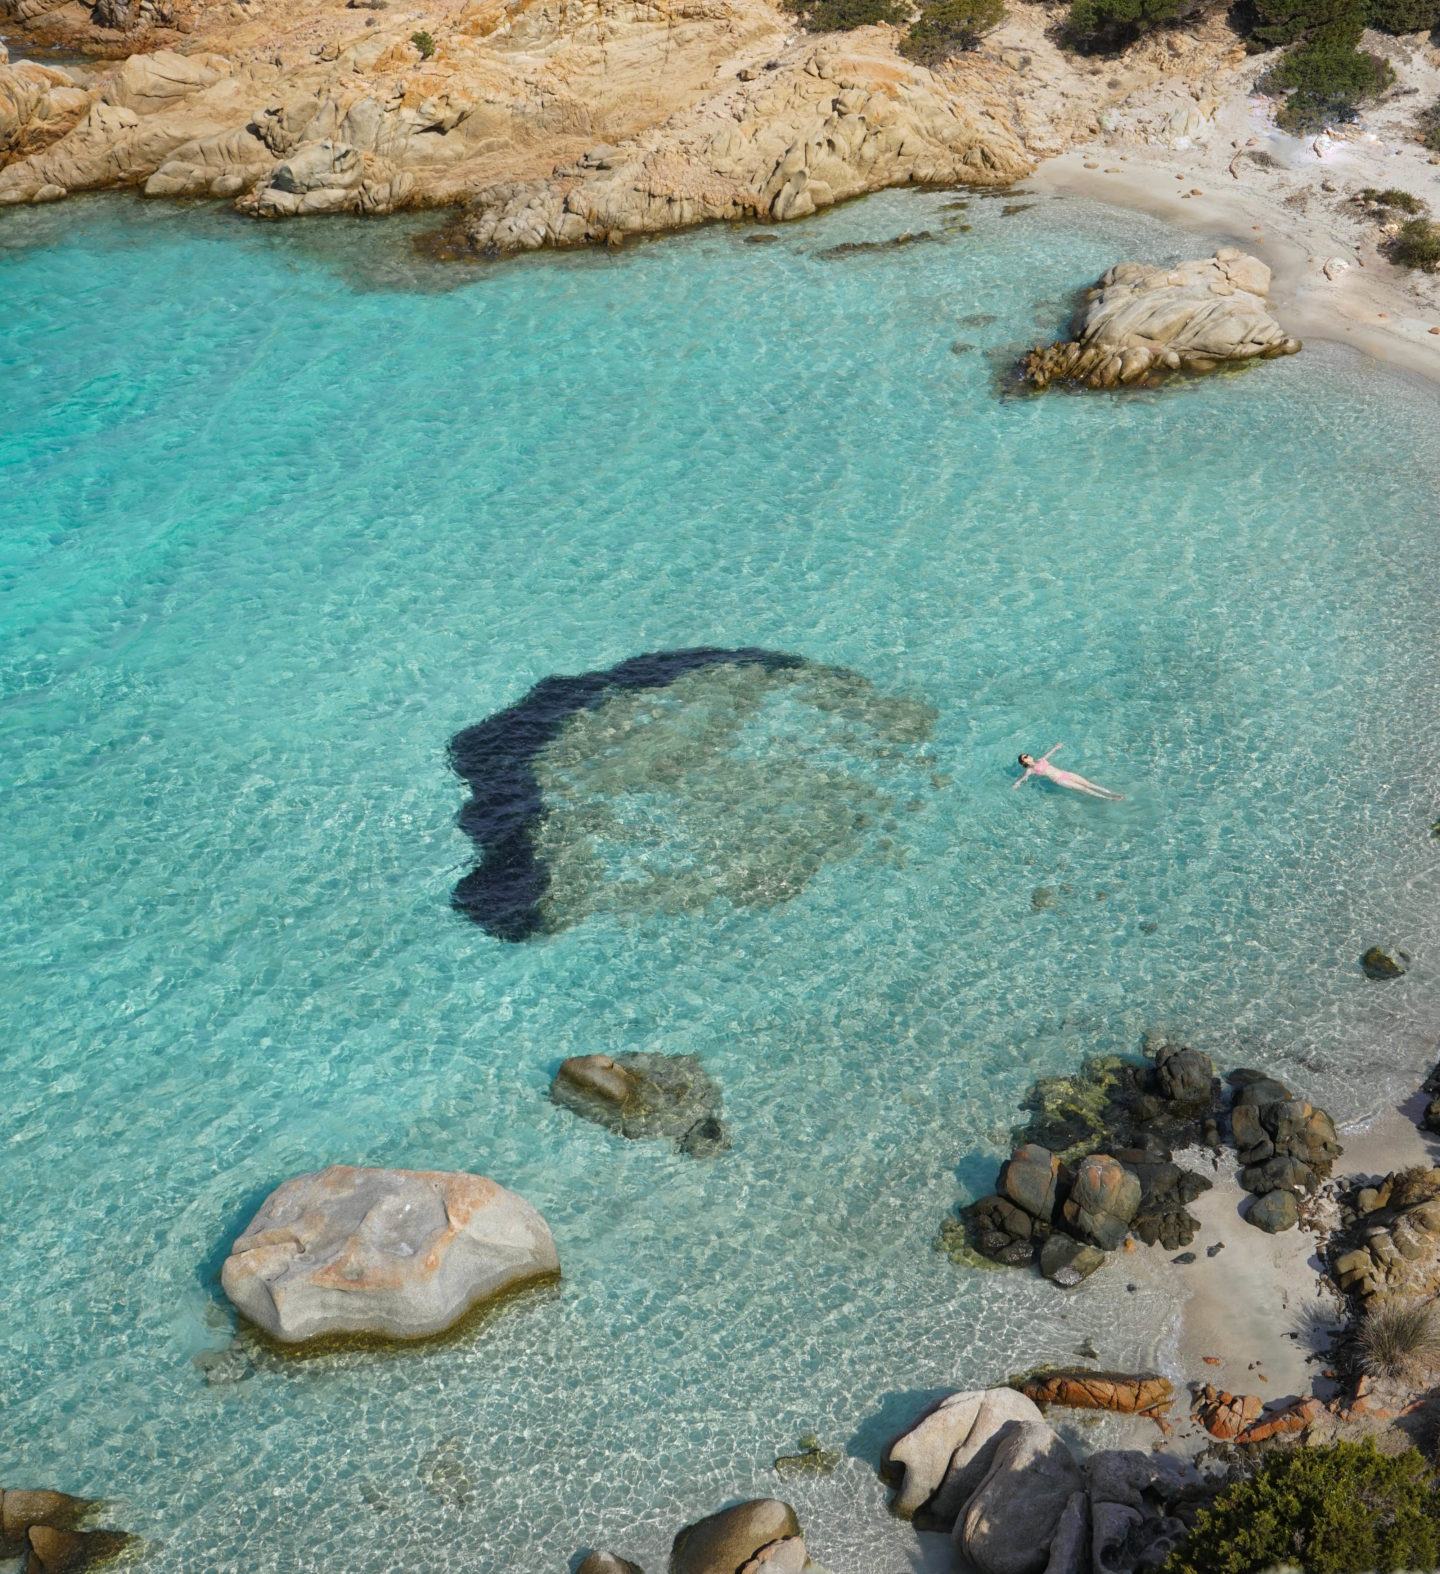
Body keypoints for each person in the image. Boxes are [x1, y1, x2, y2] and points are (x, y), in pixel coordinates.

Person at [1013, 742, 1123, 801]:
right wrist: (1018, 783)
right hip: (1059, 780)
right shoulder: (1030, 770)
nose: (1028, 755)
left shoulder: (1040, 760)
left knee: (1089, 784)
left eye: (1027, 754)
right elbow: (1023, 778)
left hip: (1065, 774)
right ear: (1024, 761)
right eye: (1026, 756)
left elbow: (1048, 755)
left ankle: (1113, 793)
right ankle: (1108, 798)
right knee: (1084, 789)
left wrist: (1056, 747)